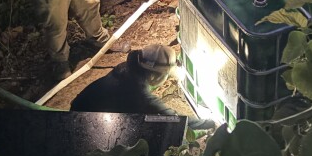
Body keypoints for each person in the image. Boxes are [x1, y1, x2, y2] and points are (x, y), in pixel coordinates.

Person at [70, 44, 216, 130]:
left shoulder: (127, 68)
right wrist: (209, 123)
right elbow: (173, 118)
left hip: (80, 104)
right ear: (154, 76)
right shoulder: (139, 95)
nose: (166, 78)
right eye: (166, 75)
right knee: (155, 126)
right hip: (85, 122)